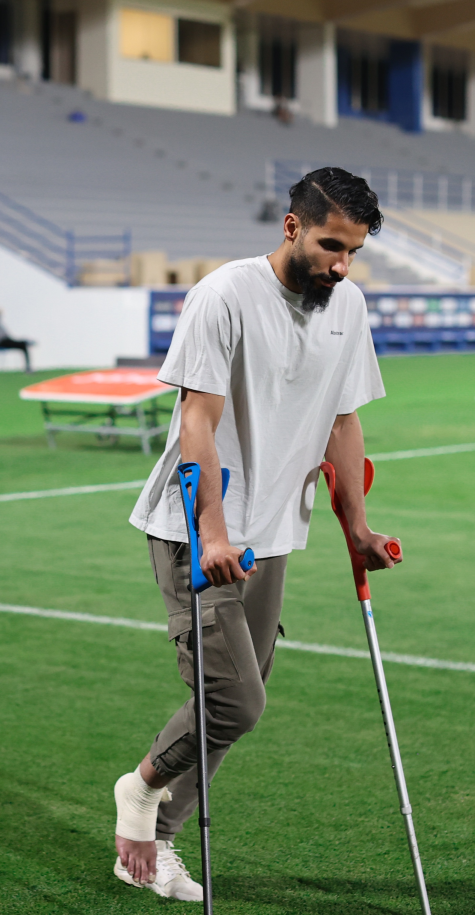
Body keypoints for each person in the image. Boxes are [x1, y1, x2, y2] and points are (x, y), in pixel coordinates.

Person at [112, 167, 401, 900]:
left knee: (235, 702)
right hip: (199, 529)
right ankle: (139, 794)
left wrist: (358, 524)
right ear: (292, 226)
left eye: (354, 253)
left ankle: (157, 836)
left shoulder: (349, 303)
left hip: (274, 533)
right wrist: (212, 529)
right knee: (236, 700)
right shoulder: (224, 295)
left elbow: (344, 419)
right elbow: (196, 422)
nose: (341, 265)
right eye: (331, 246)